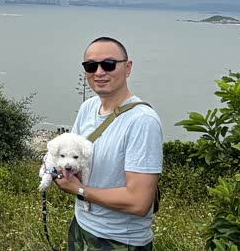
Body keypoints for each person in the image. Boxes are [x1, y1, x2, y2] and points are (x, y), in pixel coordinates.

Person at [54, 36, 163, 250]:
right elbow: (70, 155)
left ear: (128, 68)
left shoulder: (142, 122)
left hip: (119, 239)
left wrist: (79, 189)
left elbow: (139, 202)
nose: (99, 72)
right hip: (81, 225)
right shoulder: (88, 108)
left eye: (109, 64)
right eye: (91, 66)